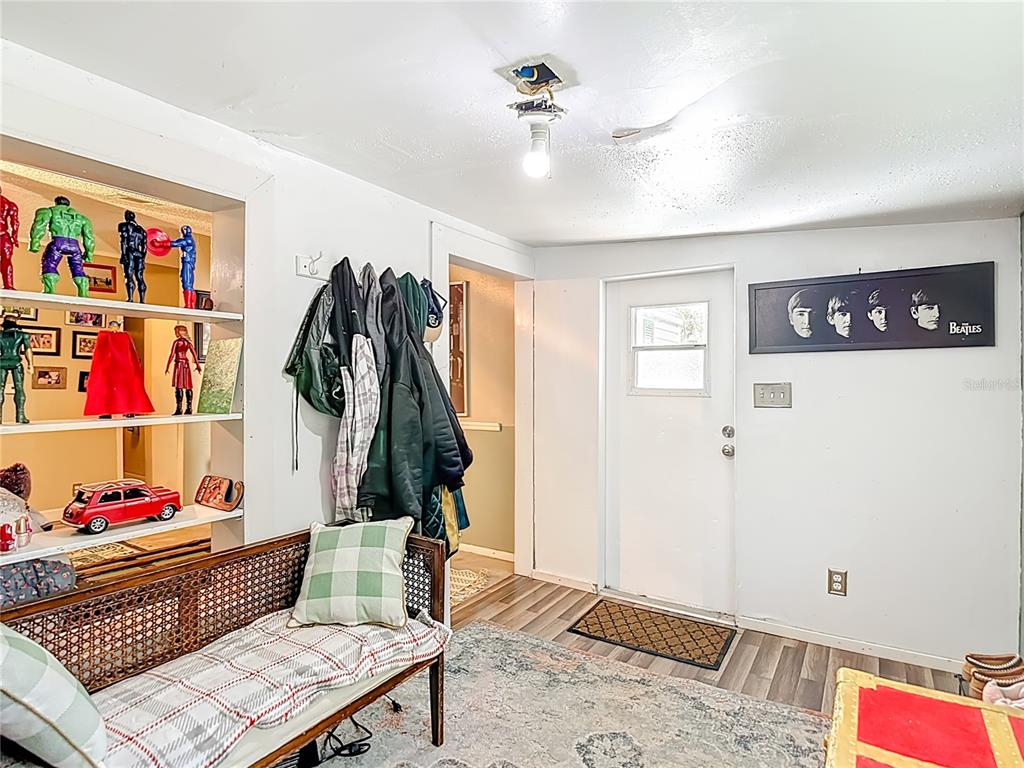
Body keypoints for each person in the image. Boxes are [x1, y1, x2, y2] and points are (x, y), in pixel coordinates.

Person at [28, 196, 95, 297]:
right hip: (74, 246)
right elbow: (89, 237)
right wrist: (89, 254)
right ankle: (83, 293)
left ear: (56, 203)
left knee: (49, 264)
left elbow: (39, 226)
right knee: (78, 268)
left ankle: (50, 290)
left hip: (58, 242)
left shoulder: (49, 211)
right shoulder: (82, 218)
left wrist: (35, 243)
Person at [0, 314, 32, 424]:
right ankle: (20, 415)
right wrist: (30, 364)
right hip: (16, 361)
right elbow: (28, 349)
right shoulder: (23, 335)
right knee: (19, 388)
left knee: (0, 389)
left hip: (2, 362)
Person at [165, 325, 202, 415]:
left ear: (178, 332)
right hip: (186, 365)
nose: (175, 333)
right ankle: (189, 408)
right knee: (188, 386)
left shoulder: (177, 342)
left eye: (176, 332)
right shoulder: (188, 343)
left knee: (179, 386)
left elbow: (172, 354)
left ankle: (179, 408)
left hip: (179, 365)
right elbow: (194, 354)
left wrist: (167, 366)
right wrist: (197, 365)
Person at [118, 210, 148, 303]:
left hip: (130, 251)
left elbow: (124, 240)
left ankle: (130, 298)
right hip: (139, 253)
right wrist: (143, 257)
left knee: (129, 275)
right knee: (139, 276)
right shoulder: (142, 230)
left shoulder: (124, 226)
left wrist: (123, 255)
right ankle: (142, 300)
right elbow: (145, 246)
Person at [170, 225, 198, 308]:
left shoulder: (187, 240)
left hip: (187, 262)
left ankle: (189, 304)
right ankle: (190, 304)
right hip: (189, 262)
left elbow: (175, 243)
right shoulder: (190, 240)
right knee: (188, 283)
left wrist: (162, 243)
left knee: (187, 282)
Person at [0, 185, 19, 290]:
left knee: (6, 261)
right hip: (4, 236)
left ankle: (8, 286)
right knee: (6, 261)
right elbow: (15, 223)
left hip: (4, 236)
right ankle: (8, 286)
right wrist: (14, 237)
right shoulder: (9, 204)